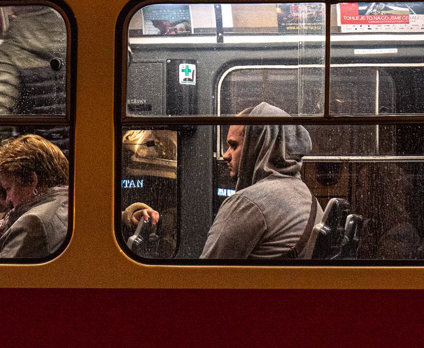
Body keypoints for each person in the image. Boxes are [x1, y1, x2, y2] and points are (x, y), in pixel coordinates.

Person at [124, 103, 321, 259]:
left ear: (258, 147)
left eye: (233, 146)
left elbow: (207, 276)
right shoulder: (306, 196)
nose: (226, 155)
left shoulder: (249, 203)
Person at [0, 6, 69, 157]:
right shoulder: (78, 39)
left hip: (37, 168)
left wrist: (6, 169)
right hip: (79, 163)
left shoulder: (10, 53)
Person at [0, 134, 69, 259]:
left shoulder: (33, 222)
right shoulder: (69, 205)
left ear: (31, 180)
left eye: (8, 188)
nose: (8, 199)